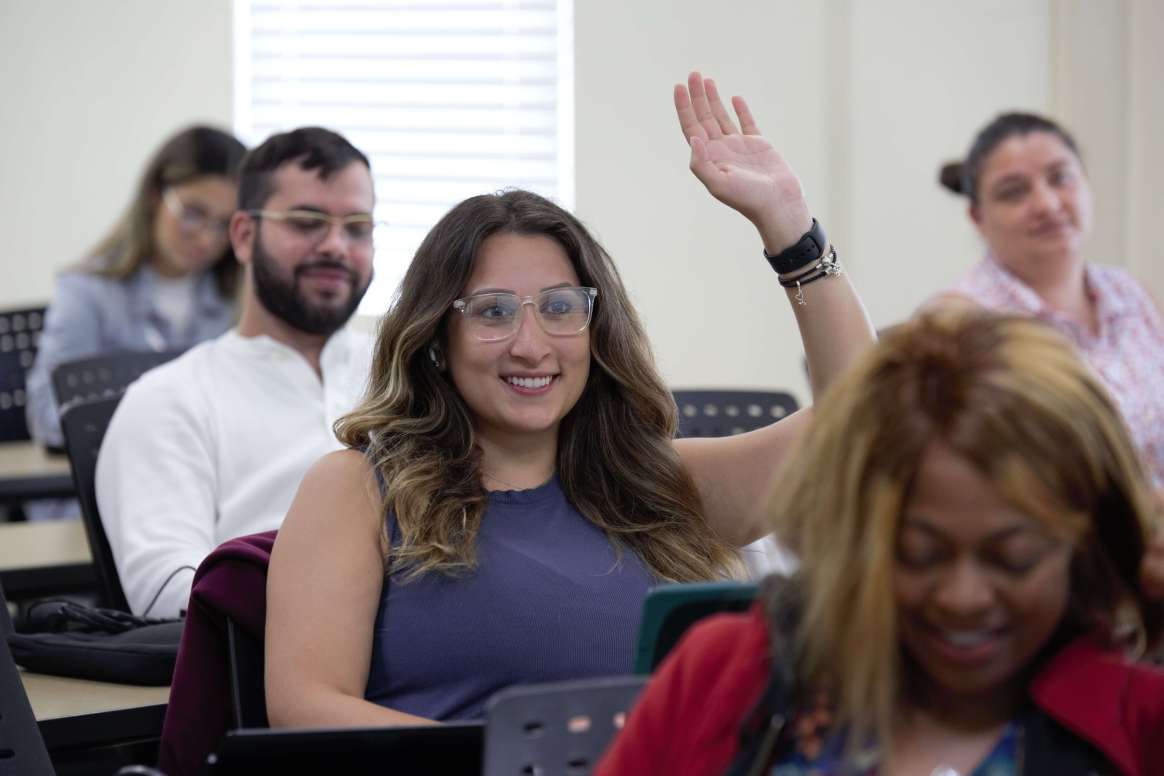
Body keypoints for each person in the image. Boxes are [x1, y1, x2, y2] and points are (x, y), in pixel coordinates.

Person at [263, 72, 876, 728]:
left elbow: (867, 417)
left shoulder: (656, 485)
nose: (532, 345)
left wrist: (789, 230)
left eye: (560, 308)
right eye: (493, 312)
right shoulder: (357, 488)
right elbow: (306, 708)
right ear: (438, 339)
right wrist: (526, 759)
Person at [598, 308, 1164, 775]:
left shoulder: (1140, 723)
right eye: (919, 554)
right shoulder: (725, 676)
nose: (963, 597)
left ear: (1084, 546)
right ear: (852, 535)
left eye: (1013, 560)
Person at [95, 127, 377, 618]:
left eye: (357, 227)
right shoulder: (170, 401)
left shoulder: (408, 375)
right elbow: (170, 595)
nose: (335, 245)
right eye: (308, 222)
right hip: (261, 672)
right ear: (244, 236)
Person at [933, 112, 1164, 487]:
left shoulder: (1129, 293)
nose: (1046, 204)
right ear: (977, 216)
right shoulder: (959, 322)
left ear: (1086, 184)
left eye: (1060, 178)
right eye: (1014, 191)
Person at [26, 126, 246, 452]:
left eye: (223, 224)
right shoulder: (87, 292)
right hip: (99, 490)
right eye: (193, 214)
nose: (206, 238)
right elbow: (48, 419)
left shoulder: (238, 301)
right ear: (155, 195)